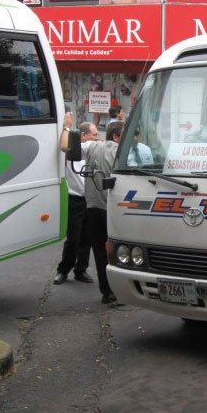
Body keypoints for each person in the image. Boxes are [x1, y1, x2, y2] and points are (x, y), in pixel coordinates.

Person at [60, 118, 125, 304]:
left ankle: (108, 291)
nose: (96, 138)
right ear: (117, 136)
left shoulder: (93, 147)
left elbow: (68, 148)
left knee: (99, 250)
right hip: (120, 208)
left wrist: (67, 129)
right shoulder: (129, 151)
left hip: (96, 207)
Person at [54, 116, 98, 285]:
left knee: (87, 239)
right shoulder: (74, 149)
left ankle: (81, 270)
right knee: (73, 239)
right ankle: (63, 270)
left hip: (90, 199)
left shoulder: (93, 149)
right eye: (94, 134)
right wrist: (66, 127)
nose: (97, 137)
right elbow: (64, 145)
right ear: (84, 136)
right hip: (75, 200)